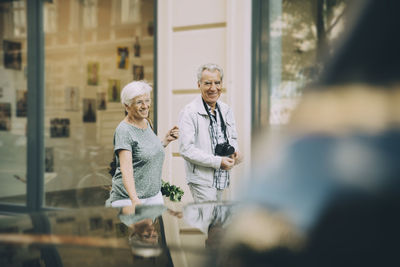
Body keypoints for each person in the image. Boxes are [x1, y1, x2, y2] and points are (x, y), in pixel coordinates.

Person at [108, 81, 179, 207]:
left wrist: (165, 141)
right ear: (127, 106)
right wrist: (135, 201)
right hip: (129, 199)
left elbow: (145, 154)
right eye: (139, 102)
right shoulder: (124, 130)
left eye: (147, 100)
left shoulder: (146, 122)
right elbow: (126, 169)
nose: (145, 106)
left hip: (153, 195)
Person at [178, 63, 241, 202]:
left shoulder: (226, 110)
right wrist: (218, 161)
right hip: (202, 181)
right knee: (209, 221)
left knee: (220, 222)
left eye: (217, 83)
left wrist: (235, 151)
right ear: (198, 84)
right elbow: (186, 150)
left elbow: (233, 138)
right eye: (207, 83)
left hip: (223, 178)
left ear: (221, 84)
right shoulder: (189, 112)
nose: (213, 88)